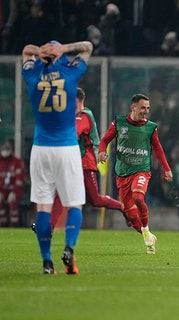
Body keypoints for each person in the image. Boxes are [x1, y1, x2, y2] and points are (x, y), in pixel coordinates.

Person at [22, 39, 93, 274]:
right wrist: (64, 48)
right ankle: (69, 248)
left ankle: (46, 261)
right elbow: (88, 47)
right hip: (66, 147)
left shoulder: (32, 75)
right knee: (75, 205)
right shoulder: (70, 73)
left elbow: (26, 51)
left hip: (41, 148)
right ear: (60, 56)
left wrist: (38, 51)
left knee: (43, 206)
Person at [98, 93, 173, 254]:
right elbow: (104, 140)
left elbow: (157, 148)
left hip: (141, 171)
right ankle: (147, 235)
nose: (146, 111)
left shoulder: (150, 127)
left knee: (138, 197)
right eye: (142, 108)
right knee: (131, 218)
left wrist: (166, 168)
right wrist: (102, 151)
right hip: (122, 173)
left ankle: (146, 230)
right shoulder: (119, 122)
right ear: (133, 107)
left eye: (148, 108)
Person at [49, 88, 124, 230]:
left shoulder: (83, 116)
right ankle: (49, 227)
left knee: (94, 199)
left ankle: (122, 207)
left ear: (77, 101)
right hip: (74, 162)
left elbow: (74, 134)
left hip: (85, 162)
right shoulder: (75, 116)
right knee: (61, 193)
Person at [0, 139, 26, 227]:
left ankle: (14, 224)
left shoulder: (17, 161)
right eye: (3, 149)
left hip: (15, 190)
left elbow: (20, 180)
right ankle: (3, 224)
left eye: (7, 149)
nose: (5, 151)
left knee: (12, 200)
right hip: (2, 190)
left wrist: (14, 191)